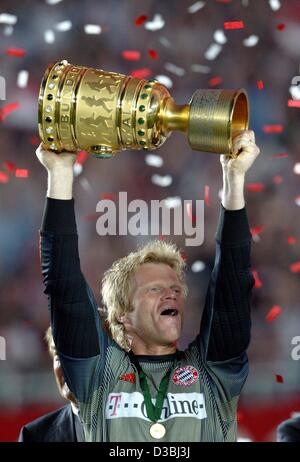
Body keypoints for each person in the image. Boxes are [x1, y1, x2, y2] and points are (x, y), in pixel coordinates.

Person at [37, 129, 260, 442]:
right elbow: (64, 288)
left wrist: (234, 181)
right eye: (154, 289)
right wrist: (59, 175)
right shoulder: (100, 377)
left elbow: (232, 288)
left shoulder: (212, 373)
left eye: (176, 288)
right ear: (124, 314)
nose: (171, 293)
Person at [18, 327, 85, 442]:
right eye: (58, 355)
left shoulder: (125, 425)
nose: (66, 365)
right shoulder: (33, 436)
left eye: (76, 353)